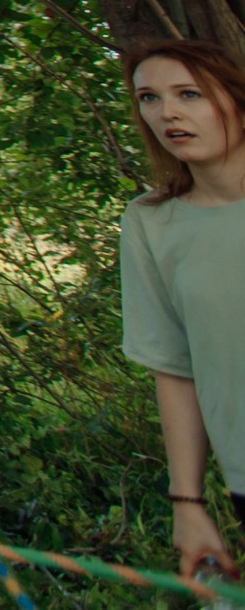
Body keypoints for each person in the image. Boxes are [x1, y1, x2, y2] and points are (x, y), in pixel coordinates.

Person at [121, 38, 245, 585]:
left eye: (188, 94)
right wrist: (187, 502)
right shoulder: (152, 222)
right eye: (149, 97)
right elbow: (172, 366)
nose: (166, 112)